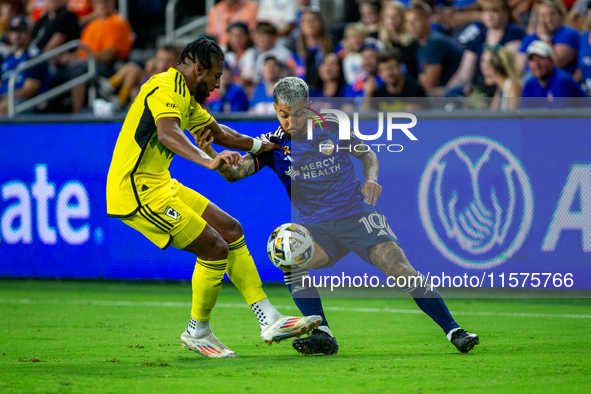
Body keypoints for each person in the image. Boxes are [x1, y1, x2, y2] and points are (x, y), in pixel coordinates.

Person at [196, 76, 480, 356]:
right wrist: (211, 153)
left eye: (297, 114)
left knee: (401, 271)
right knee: (289, 256)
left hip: (357, 216)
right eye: (283, 115)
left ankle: (454, 330)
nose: (290, 122)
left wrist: (372, 178)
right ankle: (324, 334)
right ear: (275, 109)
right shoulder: (271, 144)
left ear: (308, 105)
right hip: (318, 231)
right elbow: (235, 174)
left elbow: (366, 153)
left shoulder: (332, 126)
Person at [106, 38, 321, 358]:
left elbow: (220, 134)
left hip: (160, 183)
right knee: (214, 248)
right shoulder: (165, 86)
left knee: (231, 229)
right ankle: (198, 331)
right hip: (136, 191)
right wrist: (208, 161)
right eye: (216, 76)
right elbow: (168, 133)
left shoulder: (185, 97)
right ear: (199, 68)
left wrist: (263, 147)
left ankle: (269, 320)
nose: (218, 84)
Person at [445, 0, 525, 97]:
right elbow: (463, 74)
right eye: (486, 11)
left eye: (495, 11)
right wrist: (444, 93)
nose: (490, 15)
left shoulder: (514, 33)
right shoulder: (479, 37)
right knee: (452, 93)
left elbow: (511, 69)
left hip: (500, 85)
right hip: (482, 85)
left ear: (506, 13)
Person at [405, 2, 463, 93]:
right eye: (408, 22)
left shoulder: (435, 43)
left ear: (427, 20)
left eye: (415, 20)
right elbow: (422, 80)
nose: (411, 26)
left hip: (454, 93)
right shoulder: (420, 47)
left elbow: (429, 85)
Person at [0, 15, 50, 114]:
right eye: (14, 31)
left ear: (29, 33)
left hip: (26, 102)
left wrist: (6, 96)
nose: (17, 36)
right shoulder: (6, 57)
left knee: (4, 108)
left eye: (21, 31)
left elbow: (30, 89)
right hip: (5, 98)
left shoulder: (34, 55)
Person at [516, 0, 579, 76]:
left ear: (560, 14)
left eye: (552, 14)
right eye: (543, 15)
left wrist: (545, 37)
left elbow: (556, 63)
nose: (548, 18)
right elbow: (518, 69)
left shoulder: (569, 33)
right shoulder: (531, 37)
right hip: (532, 81)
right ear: (538, 18)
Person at [521, 40, 588, 108]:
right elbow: (526, 114)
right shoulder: (530, 85)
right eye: (532, 60)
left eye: (541, 59)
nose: (537, 64)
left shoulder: (562, 81)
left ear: (551, 60)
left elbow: (560, 115)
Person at [379, 1, 418, 79]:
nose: (391, 20)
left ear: (403, 18)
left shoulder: (412, 41)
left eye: (395, 16)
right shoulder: (383, 43)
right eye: (387, 16)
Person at [294, 7, 333, 84]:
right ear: (300, 26)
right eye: (305, 21)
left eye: (313, 19)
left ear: (320, 22)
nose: (309, 23)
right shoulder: (294, 50)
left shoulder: (332, 46)